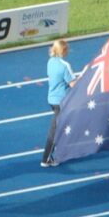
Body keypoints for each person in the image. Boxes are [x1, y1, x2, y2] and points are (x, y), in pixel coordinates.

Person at [41, 39, 80, 167]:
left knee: (62, 126)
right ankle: (46, 158)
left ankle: (60, 151)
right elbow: (73, 84)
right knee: (56, 129)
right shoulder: (65, 65)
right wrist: (84, 77)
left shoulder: (50, 62)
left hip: (52, 99)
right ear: (63, 50)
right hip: (62, 101)